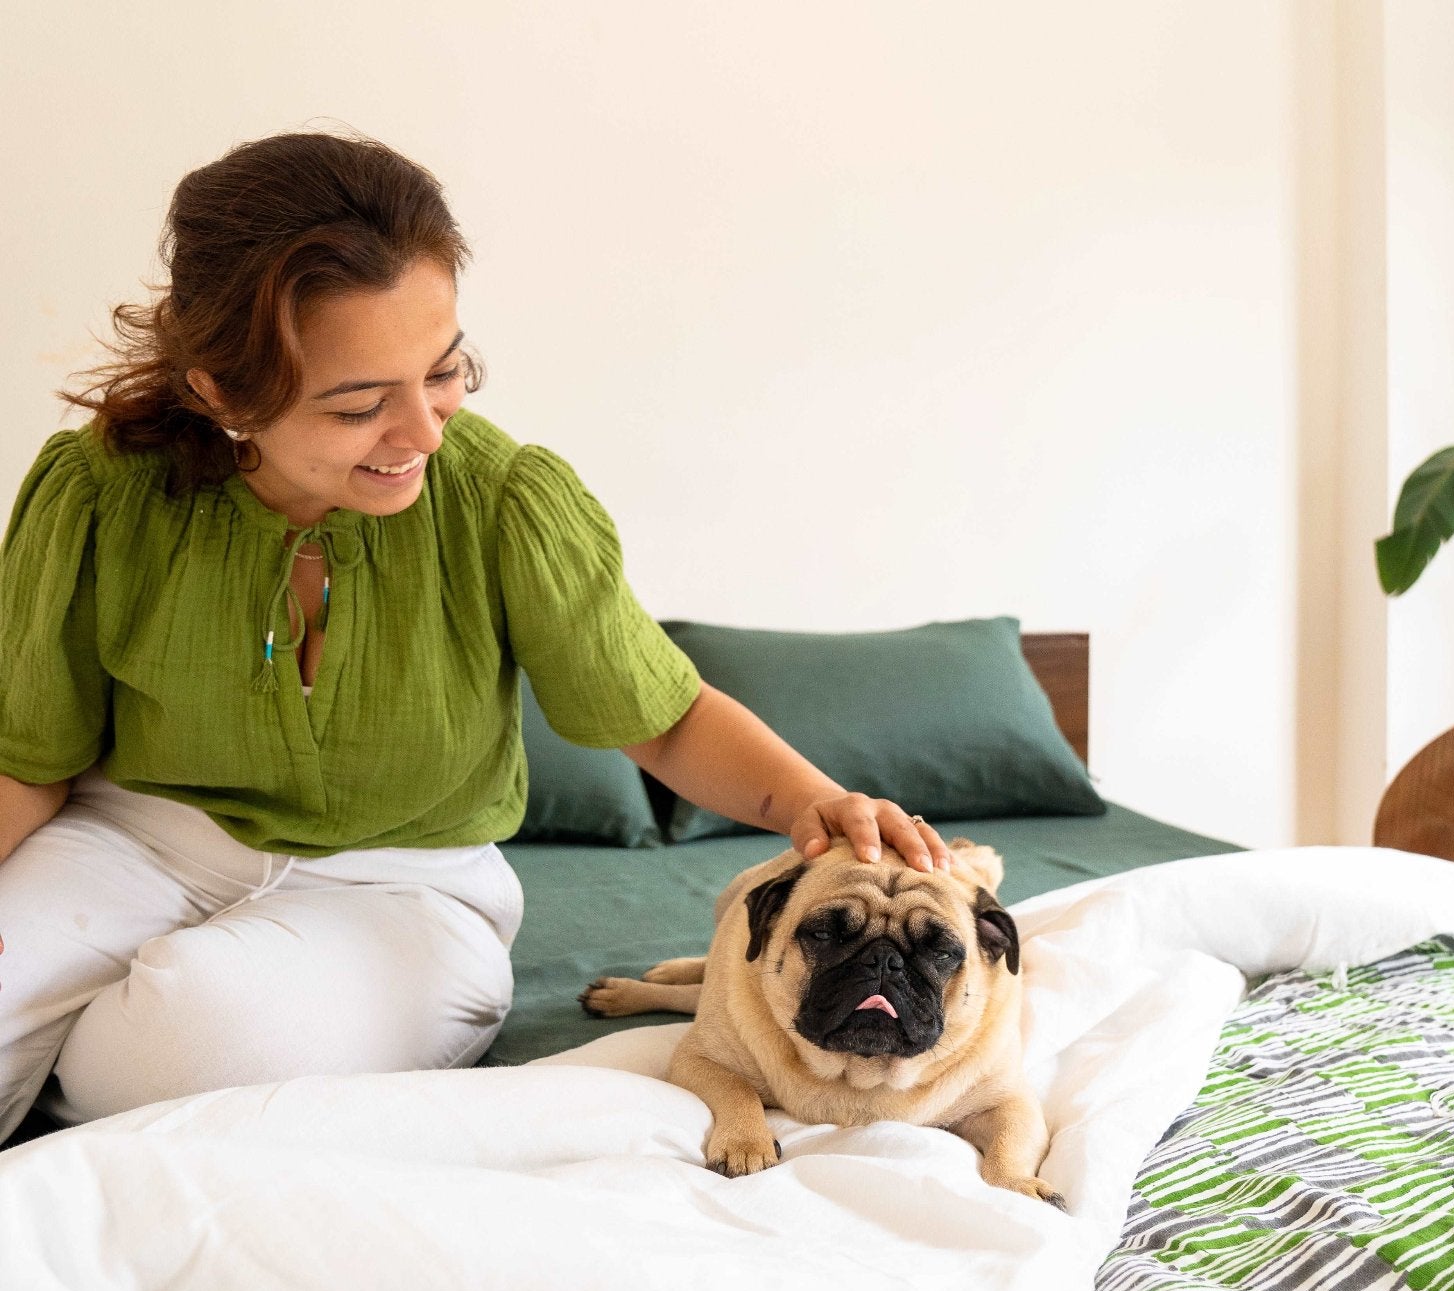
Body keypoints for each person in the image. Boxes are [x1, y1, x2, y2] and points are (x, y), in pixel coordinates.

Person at [0, 131, 949, 1144]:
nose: (423, 432)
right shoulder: (102, 492)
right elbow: (26, 757)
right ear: (224, 393)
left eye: (445, 372)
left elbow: (663, 724)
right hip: (133, 840)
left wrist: (816, 802)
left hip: (400, 882)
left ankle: (88, 1062)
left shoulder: (501, 500)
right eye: (362, 403)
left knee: (180, 1056)